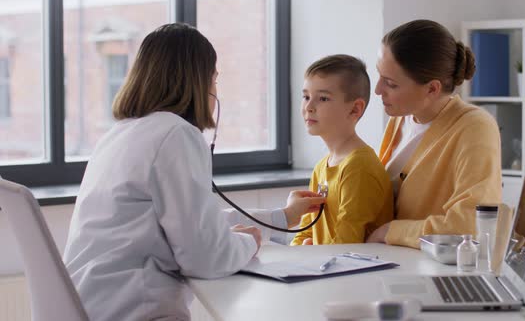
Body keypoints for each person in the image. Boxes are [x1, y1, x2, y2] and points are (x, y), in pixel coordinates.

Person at [63, 23, 324, 321]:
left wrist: (282, 218)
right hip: (132, 310)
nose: (214, 91)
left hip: (91, 304)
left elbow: (194, 224)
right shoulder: (176, 135)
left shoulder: (121, 134)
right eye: (213, 79)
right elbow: (205, 257)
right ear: (198, 83)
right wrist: (248, 242)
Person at [366, 19, 502, 248]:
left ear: (432, 88)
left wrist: (390, 231)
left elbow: (471, 225)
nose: (378, 89)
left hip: (431, 269)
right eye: (379, 76)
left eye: (390, 83)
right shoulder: (400, 119)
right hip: (391, 260)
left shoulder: (475, 128)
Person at [291, 55, 394, 246]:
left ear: (355, 109)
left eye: (322, 98)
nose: (309, 107)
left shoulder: (359, 167)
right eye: (306, 97)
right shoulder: (321, 167)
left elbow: (346, 244)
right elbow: (305, 233)